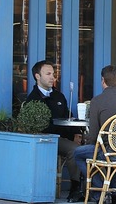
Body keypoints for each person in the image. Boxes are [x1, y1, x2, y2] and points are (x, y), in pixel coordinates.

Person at [73, 65, 116, 203]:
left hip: (108, 151)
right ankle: (115, 192)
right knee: (109, 162)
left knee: (79, 153)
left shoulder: (97, 100)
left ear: (103, 80)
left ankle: (99, 194)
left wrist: (87, 143)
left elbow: (94, 134)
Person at [25, 60, 83, 202]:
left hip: (62, 138)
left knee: (87, 147)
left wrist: (77, 132)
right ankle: (76, 189)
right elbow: (43, 127)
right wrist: (69, 135)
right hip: (44, 139)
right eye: (48, 74)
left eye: (54, 74)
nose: (53, 77)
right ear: (37, 76)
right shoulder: (33, 100)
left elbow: (68, 116)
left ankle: (89, 188)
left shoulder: (59, 96)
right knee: (74, 150)